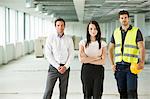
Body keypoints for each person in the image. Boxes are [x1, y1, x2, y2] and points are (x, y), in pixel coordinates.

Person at [108, 10, 145, 99]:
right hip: (119, 67)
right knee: (122, 92)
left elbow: (141, 48)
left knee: (131, 92)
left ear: (128, 19)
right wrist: (112, 64)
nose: (124, 19)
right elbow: (110, 49)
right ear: (119, 19)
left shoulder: (136, 31)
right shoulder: (115, 32)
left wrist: (142, 62)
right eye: (122, 18)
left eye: (125, 17)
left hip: (131, 67)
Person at [43, 18, 74, 99]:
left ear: (64, 26)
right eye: (58, 25)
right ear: (55, 27)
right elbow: (48, 54)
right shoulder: (50, 38)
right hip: (53, 68)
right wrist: (57, 66)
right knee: (48, 90)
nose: (60, 27)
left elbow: (71, 54)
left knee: (63, 92)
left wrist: (65, 67)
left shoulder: (69, 39)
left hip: (65, 68)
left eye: (62, 25)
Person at [79, 20, 107, 99]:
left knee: (97, 94)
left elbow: (103, 61)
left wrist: (88, 58)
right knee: (87, 94)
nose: (93, 31)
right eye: (91, 29)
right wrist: (96, 58)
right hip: (86, 70)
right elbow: (81, 60)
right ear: (88, 30)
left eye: (95, 29)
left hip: (98, 71)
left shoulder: (103, 43)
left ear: (98, 30)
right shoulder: (83, 43)